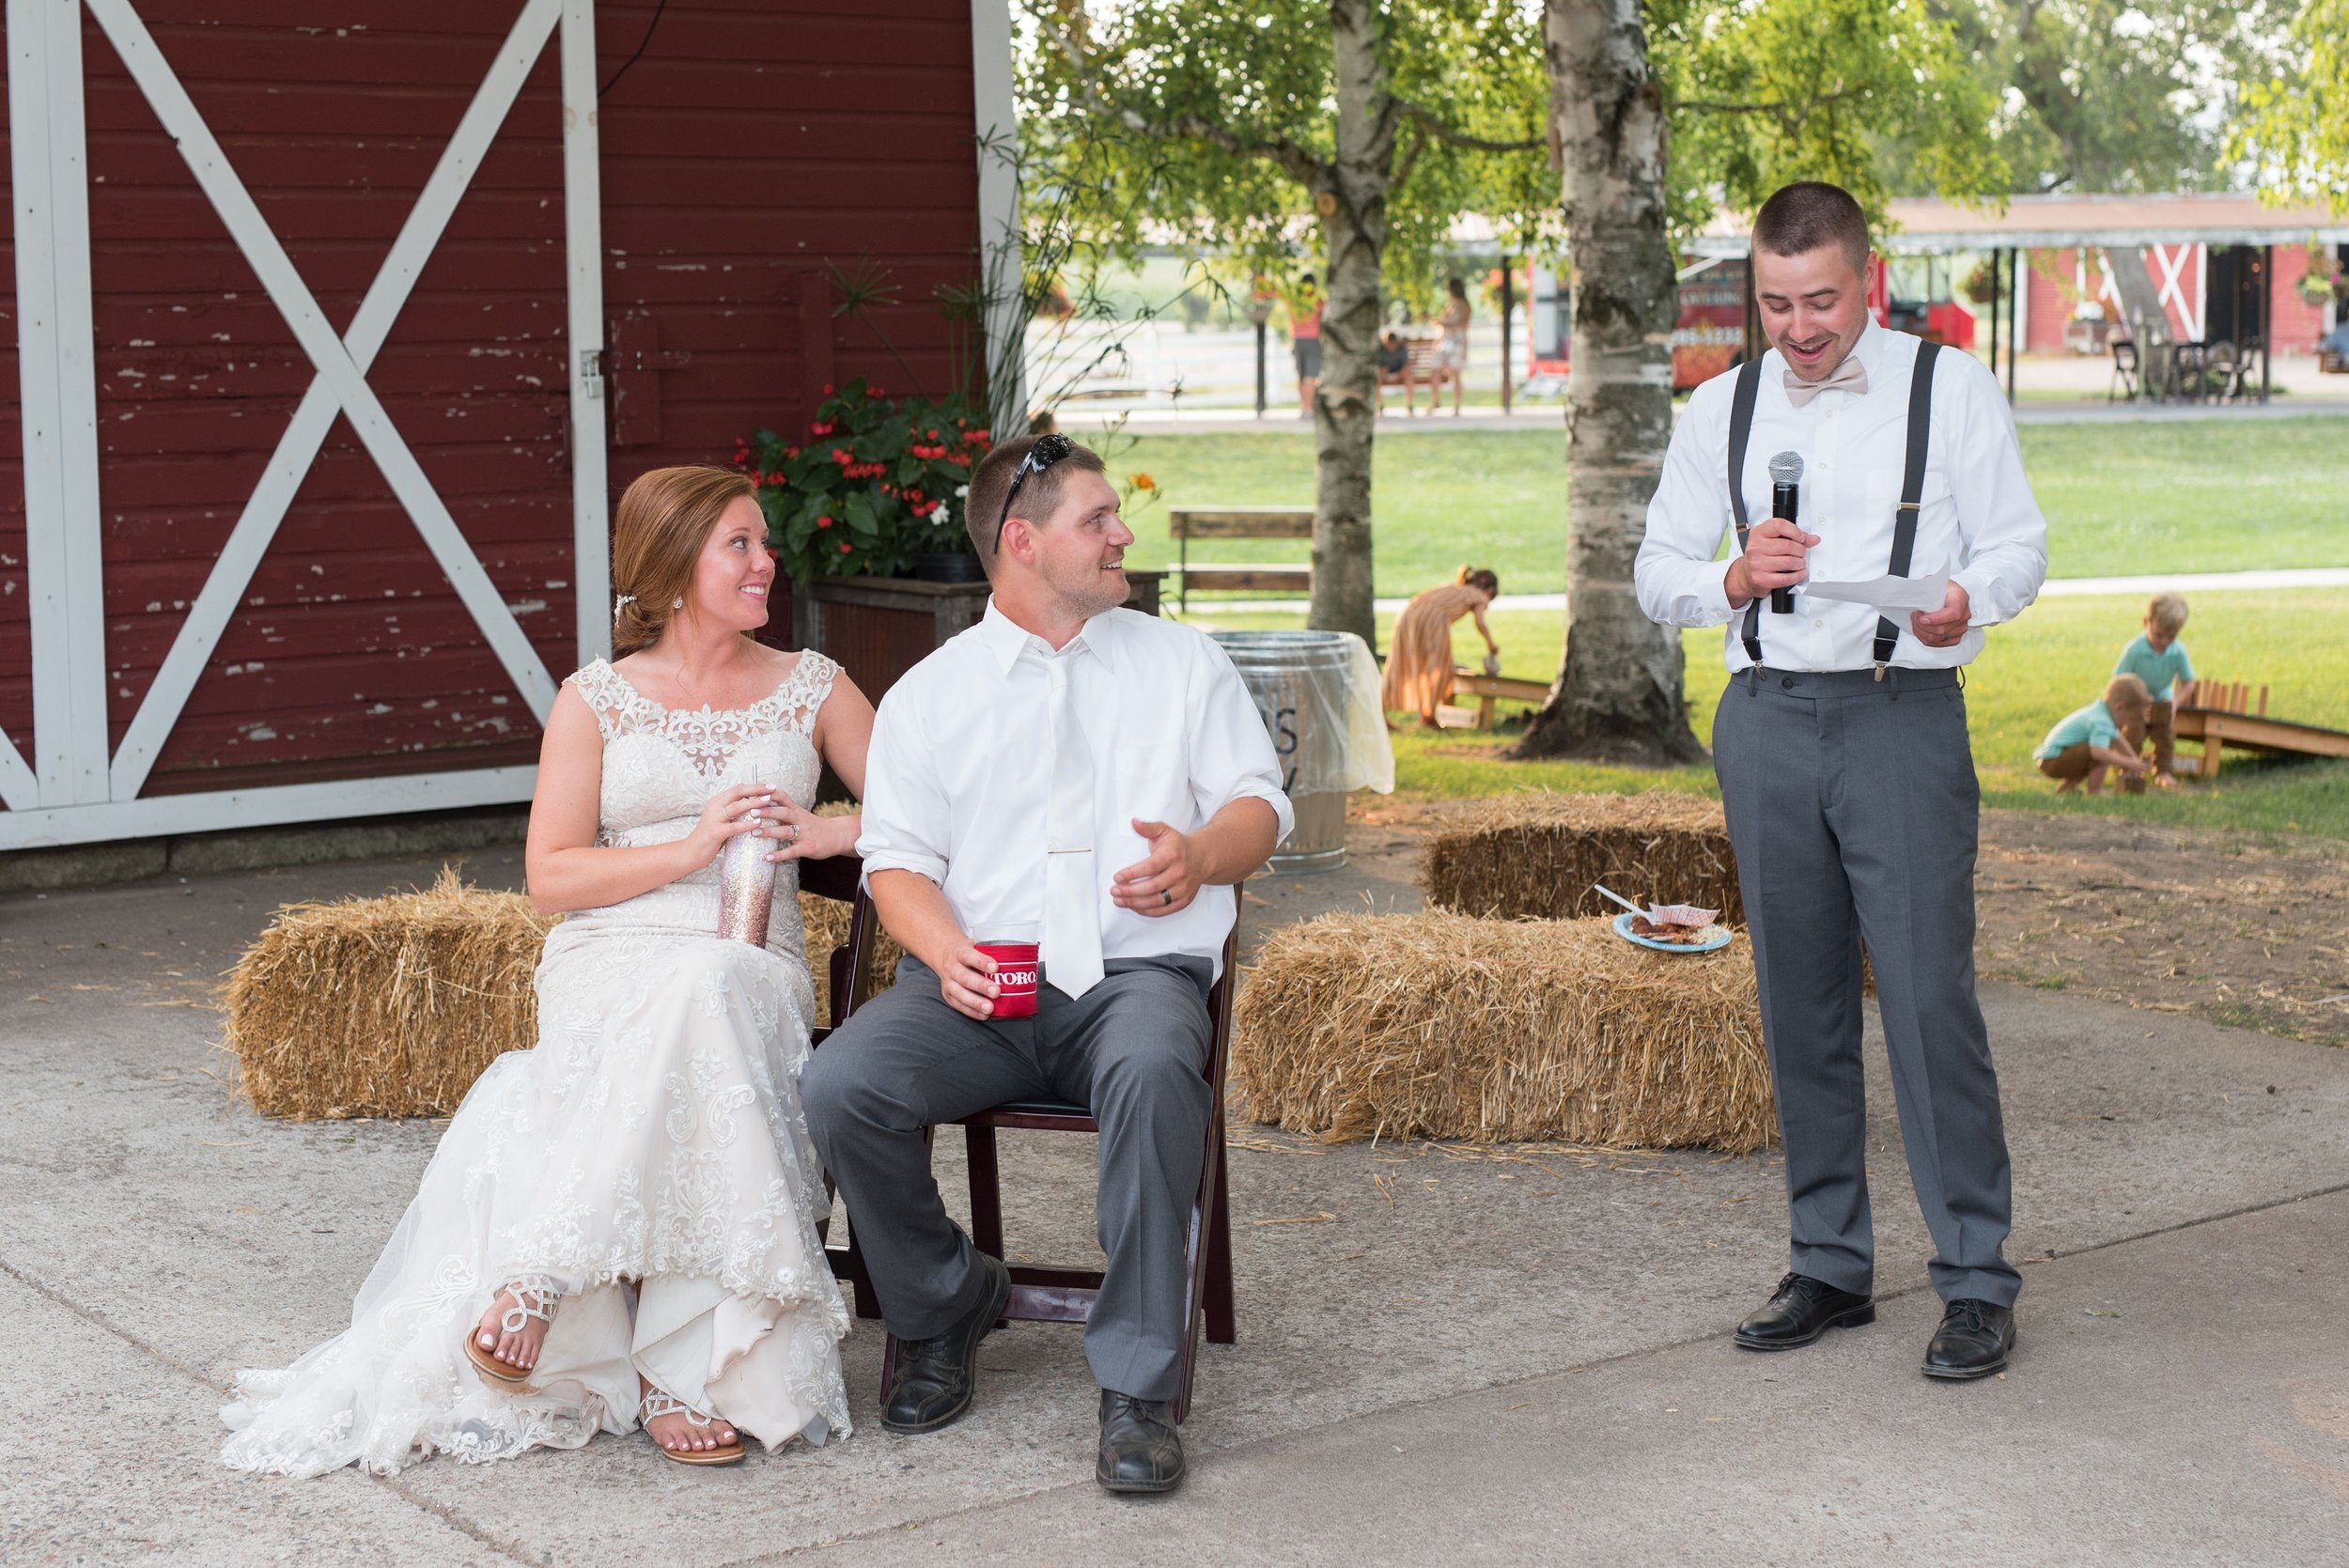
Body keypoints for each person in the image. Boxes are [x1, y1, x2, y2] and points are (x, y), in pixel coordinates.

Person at [221, 466, 875, 1476]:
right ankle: (669, 1371)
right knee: (683, 1005)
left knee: (708, 988)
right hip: (609, 953)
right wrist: (692, 844)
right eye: (738, 544)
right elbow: (551, 878)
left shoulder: (814, 684)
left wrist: (831, 826)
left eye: (762, 542)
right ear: (670, 568)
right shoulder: (595, 699)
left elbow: (929, 812)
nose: (765, 563)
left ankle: (539, 1275)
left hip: (750, 959)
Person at [801, 432, 1289, 1497]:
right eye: (1097, 520)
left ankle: (1137, 1387)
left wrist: (1200, 854)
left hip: (1131, 986)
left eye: (1116, 516)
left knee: (1160, 1071)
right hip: (976, 986)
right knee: (839, 1083)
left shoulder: (1183, 664)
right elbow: (897, 864)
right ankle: (942, 1305)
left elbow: (1262, 804)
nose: (1123, 534)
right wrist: (945, 952)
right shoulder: (933, 693)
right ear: (1022, 544)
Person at [1633, 181, 2049, 1382]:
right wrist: (1728, 578)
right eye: (1774, 302)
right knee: (1796, 1003)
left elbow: (2016, 541)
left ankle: (1973, 1278)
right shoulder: (1718, 406)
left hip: (1900, 718)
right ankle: (1828, 1261)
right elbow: (1657, 568)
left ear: (1865, 280)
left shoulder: (1947, 387)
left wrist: (1979, 595)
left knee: (1925, 999)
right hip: (1763, 722)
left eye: (1820, 300)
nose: (1800, 326)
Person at [1381, 567, 1501, 726]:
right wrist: (1491, 644)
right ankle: (1427, 715)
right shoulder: (1478, 595)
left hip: (1408, 613)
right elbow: (1480, 622)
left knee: (1399, 662)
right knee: (1440, 666)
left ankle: (1380, 712)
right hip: (1433, 620)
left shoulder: (1453, 588)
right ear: (1490, 590)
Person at [2111, 592, 2195, 791]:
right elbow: (2119, 680)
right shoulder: (2134, 650)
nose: (2164, 641)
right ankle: (2128, 769)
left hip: (2162, 702)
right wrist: (2137, 696)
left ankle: (2163, 772)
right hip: (2135, 703)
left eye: (2171, 636)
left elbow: (2189, 682)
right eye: (2159, 635)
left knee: (2165, 735)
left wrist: (2175, 703)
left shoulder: (2178, 651)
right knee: (2134, 733)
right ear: (2146, 622)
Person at [2035, 674, 2154, 794]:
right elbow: (2099, 753)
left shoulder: (2102, 713)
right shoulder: (2101, 722)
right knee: (2102, 753)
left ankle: (2066, 789)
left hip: (2052, 758)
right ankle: (2094, 793)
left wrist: (2134, 760)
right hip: (2052, 760)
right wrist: (2128, 762)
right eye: (2130, 718)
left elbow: (2118, 739)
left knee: (2094, 753)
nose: (2128, 724)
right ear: (2120, 707)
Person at [1433, 276, 1471, 414]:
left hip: (1457, 342)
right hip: (1445, 342)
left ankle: (1456, 405)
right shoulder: (1450, 305)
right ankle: (1436, 401)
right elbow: (1442, 321)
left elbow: (1460, 323)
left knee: (1455, 373)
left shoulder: (1464, 305)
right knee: (1436, 369)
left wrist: (1444, 323)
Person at [1291, 272, 1324, 415]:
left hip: (1298, 340)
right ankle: (1308, 408)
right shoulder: (1318, 301)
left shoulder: (1294, 300)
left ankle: (1305, 407)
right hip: (1312, 340)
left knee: (1302, 376)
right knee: (1309, 377)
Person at [1377, 327, 1418, 412]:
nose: (1391, 346)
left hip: (1400, 372)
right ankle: (1380, 404)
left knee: (1409, 375)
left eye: (1393, 343)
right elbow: (1378, 366)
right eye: (1389, 343)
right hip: (1385, 372)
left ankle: (1409, 404)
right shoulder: (1381, 349)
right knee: (1376, 377)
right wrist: (1383, 371)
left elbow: (1406, 366)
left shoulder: (1402, 349)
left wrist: (1397, 375)